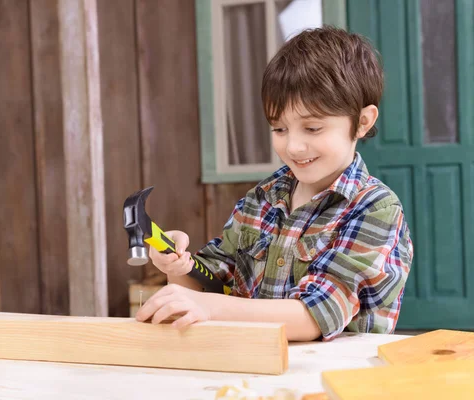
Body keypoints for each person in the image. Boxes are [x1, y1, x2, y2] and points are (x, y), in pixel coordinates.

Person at [135, 26, 414, 342]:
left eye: (312, 128)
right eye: (280, 129)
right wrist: (176, 265)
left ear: (362, 122)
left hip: (338, 380)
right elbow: (209, 283)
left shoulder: (374, 207)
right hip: (261, 373)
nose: (293, 146)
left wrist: (210, 306)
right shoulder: (262, 198)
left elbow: (317, 315)